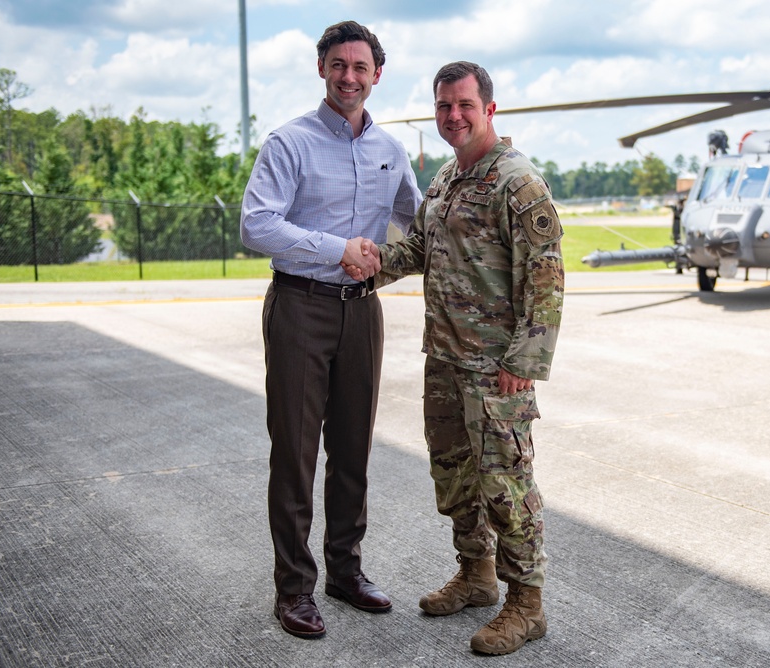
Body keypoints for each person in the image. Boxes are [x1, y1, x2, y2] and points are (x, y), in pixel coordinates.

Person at [349, 61, 564, 656]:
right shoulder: (446, 178)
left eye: (465, 105)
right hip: (444, 360)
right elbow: (421, 246)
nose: (453, 116)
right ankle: (477, 576)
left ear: (489, 109)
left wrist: (524, 363)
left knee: (506, 486)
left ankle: (527, 605)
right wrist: (374, 264)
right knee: (455, 475)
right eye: (444, 106)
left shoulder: (515, 183)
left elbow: (546, 283)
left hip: (496, 369)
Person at [239, 20, 421, 640]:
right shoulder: (288, 144)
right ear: (321, 69)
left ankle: (345, 571)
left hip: (362, 312)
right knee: (294, 453)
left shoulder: (389, 151)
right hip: (300, 307)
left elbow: (415, 220)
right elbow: (256, 226)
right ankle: (293, 589)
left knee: (353, 451)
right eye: (338, 65)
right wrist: (336, 247)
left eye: (360, 67)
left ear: (376, 75)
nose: (349, 76)